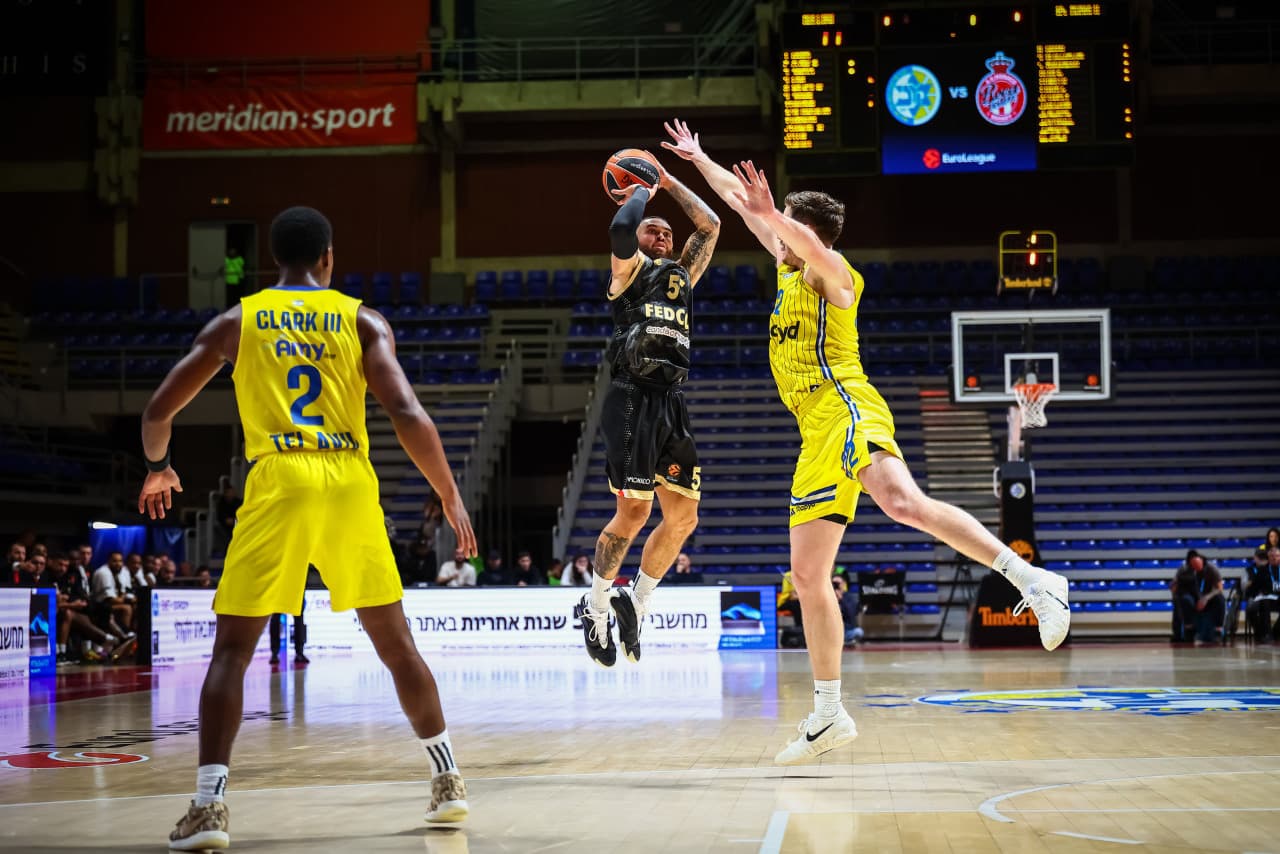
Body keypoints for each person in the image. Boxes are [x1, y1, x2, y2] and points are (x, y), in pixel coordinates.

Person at [664, 118, 1071, 765]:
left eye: (786, 226)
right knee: (807, 575)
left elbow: (805, 244)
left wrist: (778, 214)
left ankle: (1034, 582)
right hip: (811, 432)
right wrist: (699, 158)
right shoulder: (788, 266)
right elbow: (745, 207)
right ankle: (828, 714)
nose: (772, 232)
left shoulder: (835, 275)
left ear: (811, 234)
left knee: (900, 502)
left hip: (848, 404)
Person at [137, 205, 478, 850]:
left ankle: (209, 809)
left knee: (234, 652)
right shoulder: (362, 319)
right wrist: (449, 493)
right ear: (328, 258)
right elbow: (405, 411)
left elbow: (158, 411)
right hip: (349, 477)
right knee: (396, 644)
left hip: (279, 478)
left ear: (275, 262)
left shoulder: (240, 320)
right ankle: (449, 781)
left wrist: (159, 467)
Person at [575, 152, 721, 669]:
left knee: (683, 515)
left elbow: (710, 224)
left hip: (671, 400)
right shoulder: (627, 272)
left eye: (665, 232)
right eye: (651, 230)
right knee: (634, 511)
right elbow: (620, 226)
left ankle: (635, 600)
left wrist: (669, 181)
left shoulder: (680, 277)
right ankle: (593, 607)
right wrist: (641, 190)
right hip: (631, 394)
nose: (660, 236)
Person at [1171, 549, 1225, 643]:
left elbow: (1219, 588)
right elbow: (1174, 588)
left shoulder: (1211, 568)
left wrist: (1206, 598)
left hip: (1207, 597)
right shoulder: (1183, 570)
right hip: (1192, 596)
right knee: (1185, 600)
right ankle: (1189, 629)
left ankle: (1218, 630)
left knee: (1220, 598)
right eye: (1193, 565)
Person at [1246, 546, 1280, 641]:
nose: (1274, 558)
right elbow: (1253, 588)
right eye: (1272, 556)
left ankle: (1275, 632)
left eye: (1277, 556)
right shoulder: (1262, 570)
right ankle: (1266, 634)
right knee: (1264, 603)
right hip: (1266, 598)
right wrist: (1254, 595)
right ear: (1268, 557)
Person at [832, 573, 864, 646]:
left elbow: (851, 615)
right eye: (834, 583)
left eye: (838, 583)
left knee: (858, 632)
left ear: (843, 584)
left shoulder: (849, 597)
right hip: (832, 630)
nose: (836, 585)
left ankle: (845, 641)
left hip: (846, 630)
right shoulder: (828, 597)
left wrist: (841, 599)